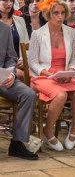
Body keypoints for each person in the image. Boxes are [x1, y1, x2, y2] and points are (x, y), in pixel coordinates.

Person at [28, 0, 75, 151]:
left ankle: (74, 130)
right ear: (48, 14)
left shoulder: (72, 33)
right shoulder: (38, 34)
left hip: (65, 76)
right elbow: (32, 62)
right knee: (61, 95)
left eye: (62, 13)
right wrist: (50, 74)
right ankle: (48, 130)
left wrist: (71, 71)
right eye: (56, 13)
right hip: (44, 77)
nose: (60, 17)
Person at [0, 21, 38, 160]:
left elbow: (11, 58)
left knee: (29, 94)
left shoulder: (5, 29)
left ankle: (17, 143)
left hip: (3, 78)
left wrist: (11, 74)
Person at [0, 0, 29, 81]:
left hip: (19, 63)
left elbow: (26, 44)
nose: (9, 4)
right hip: (3, 64)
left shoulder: (20, 20)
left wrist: (23, 59)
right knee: (20, 75)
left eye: (11, 0)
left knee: (30, 75)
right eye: (5, 0)